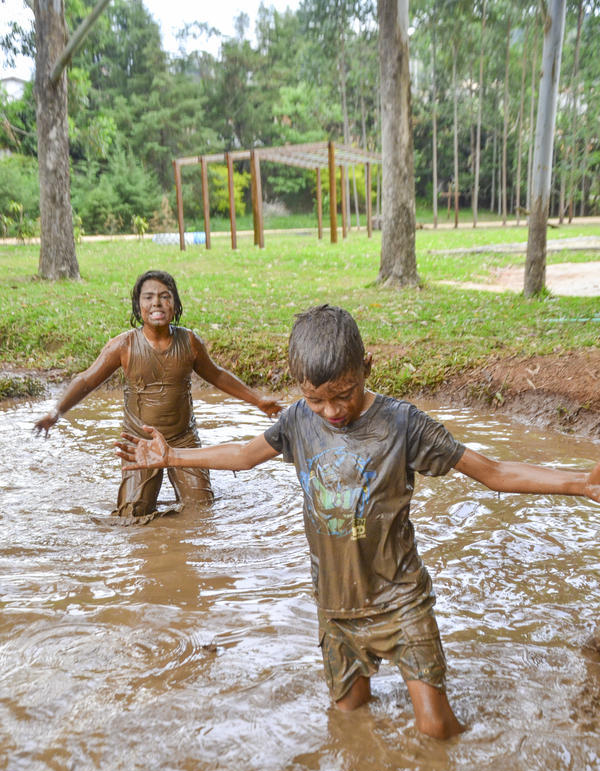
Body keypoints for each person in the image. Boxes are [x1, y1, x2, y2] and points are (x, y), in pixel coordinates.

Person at [116, 305, 600, 735]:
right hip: (336, 607)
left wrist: (580, 482)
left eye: (343, 395)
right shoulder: (297, 422)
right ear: (299, 389)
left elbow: (492, 472)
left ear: (366, 368)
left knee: (435, 728)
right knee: (349, 720)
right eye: (316, 399)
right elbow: (244, 455)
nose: (331, 411)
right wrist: (173, 456)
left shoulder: (403, 424)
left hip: (400, 599)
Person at [35, 269, 282, 521]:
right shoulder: (124, 345)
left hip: (183, 439)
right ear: (137, 305)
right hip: (139, 443)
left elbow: (217, 375)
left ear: (175, 304)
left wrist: (258, 400)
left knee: (201, 512)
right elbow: (87, 380)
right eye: (148, 297)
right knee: (131, 516)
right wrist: (57, 412)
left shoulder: (190, 342)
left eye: (165, 296)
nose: (157, 303)